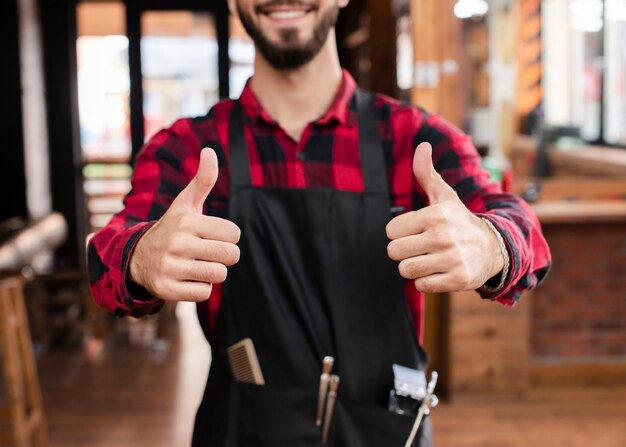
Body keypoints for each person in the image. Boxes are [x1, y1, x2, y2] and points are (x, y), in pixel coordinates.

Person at [87, 0, 551, 445]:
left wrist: (491, 243)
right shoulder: (188, 148)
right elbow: (106, 257)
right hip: (242, 425)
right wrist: (140, 257)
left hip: (383, 426)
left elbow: (521, 228)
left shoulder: (415, 140)